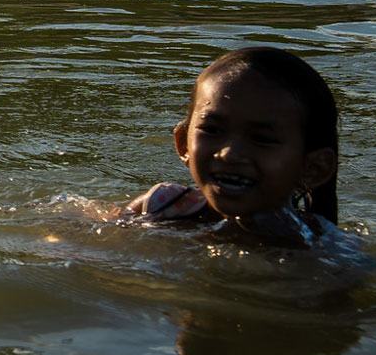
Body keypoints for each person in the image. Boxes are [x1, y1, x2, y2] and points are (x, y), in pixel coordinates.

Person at [122, 46, 341, 246]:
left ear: (313, 169)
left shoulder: (325, 251)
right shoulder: (162, 207)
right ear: (183, 144)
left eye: (262, 138)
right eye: (212, 130)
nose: (229, 154)